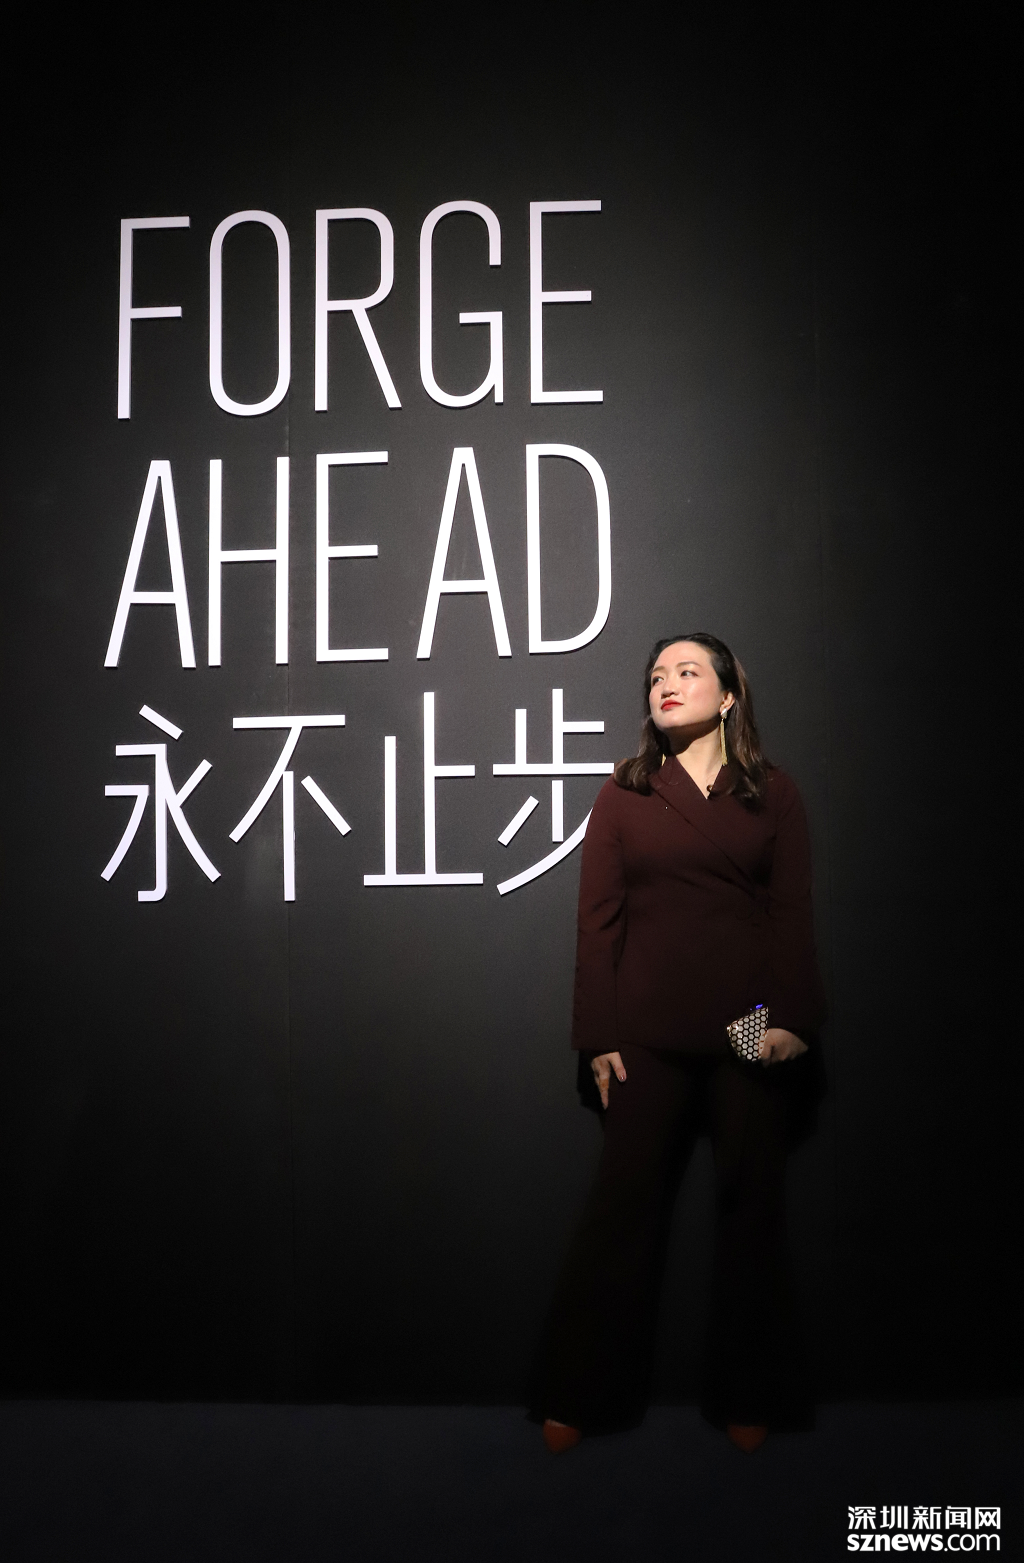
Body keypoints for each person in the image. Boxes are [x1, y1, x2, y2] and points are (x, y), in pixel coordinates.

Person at [525, 632, 826, 1455]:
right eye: (658, 674)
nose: (667, 683)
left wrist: (791, 1017)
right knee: (621, 1210)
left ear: (728, 696)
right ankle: (577, 1389)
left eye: (688, 672)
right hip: (647, 1029)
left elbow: (792, 912)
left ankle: (751, 1391)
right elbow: (597, 923)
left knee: (751, 1207)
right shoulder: (625, 793)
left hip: (745, 1023)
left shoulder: (774, 793)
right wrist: (598, 1036)